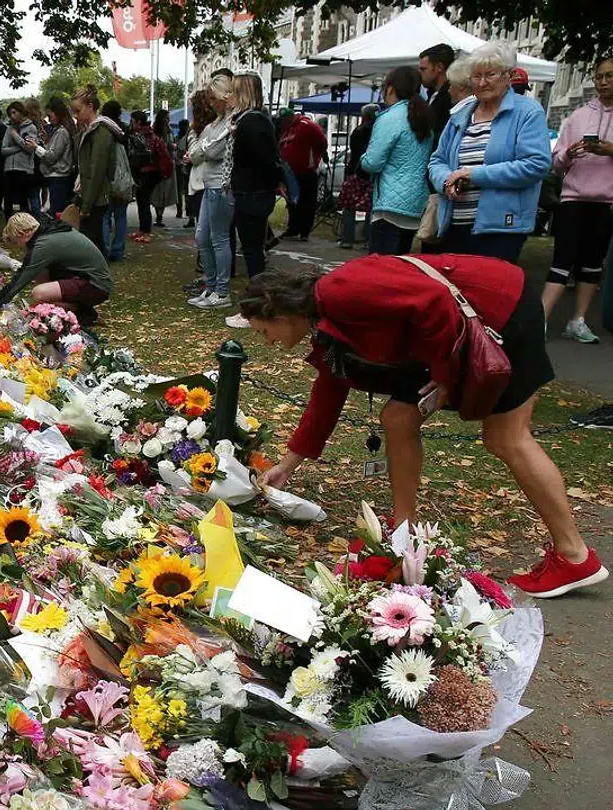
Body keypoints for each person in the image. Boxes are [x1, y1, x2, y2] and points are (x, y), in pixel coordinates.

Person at [242, 260, 606, 599]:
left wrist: (444, 376)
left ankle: (574, 556)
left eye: (263, 331)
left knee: (507, 438)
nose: (266, 341)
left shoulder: (339, 291)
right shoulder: (323, 321)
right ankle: (405, 529)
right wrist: (287, 466)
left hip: (499, 311)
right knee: (398, 418)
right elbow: (328, 392)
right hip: (449, 338)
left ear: (280, 315)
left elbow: (435, 301)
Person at [428, 41, 551, 263]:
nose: (482, 82)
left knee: (490, 283)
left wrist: (474, 175)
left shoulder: (527, 112)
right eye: (476, 76)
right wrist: (447, 180)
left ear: (508, 76)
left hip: (501, 228)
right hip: (455, 224)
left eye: (490, 75)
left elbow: (536, 165)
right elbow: (437, 161)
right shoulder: (461, 114)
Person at [543, 55, 613, 344]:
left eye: (609, 76)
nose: (603, 82)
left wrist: (609, 150)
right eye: (599, 76)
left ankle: (578, 320)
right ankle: (540, 320)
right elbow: (556, 161)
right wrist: (569, 153)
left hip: (606, 202)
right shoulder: (578, 115)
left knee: (593, 263)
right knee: (563, 259)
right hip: (573, 198)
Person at [224, 72, 282, 330]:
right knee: (252, 251)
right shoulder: (250, 121)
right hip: (251, 192)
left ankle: (256, 309)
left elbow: (265, 161)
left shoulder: (252, 122)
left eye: (234, 91)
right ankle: (257, 306)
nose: (229, 96)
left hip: (253, 193)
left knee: (253, 252)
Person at [362, 66, 436, 255]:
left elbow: (372, 162)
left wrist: (363, 158)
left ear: (391, 88)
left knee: (380, 266)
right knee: (400, 263)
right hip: (415, 202)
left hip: (389, 205)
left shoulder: (390, 118)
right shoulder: (423, 117)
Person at [0, 212, 113, 328]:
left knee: (38, 293)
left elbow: (20, 279)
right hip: (88, 278)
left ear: (22, 234)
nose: (20, 248)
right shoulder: (50, 231)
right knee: (41, 273)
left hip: (96, 285)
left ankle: (80, 311)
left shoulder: (44, 244)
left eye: (16, 243)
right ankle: (72, 309)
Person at [188, 77, 235, 309]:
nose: (211, 103)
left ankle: (222, 291)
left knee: (219, 238)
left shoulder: (230, 123)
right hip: (209, 186)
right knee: (202, 237)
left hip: (221, 186)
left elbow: (211, 151)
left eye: (214, 98)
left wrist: (203, 147)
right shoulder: (215, 125)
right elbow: (197, 152)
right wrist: (203, 147)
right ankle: (213, 286)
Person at [72, 85, 120, 256]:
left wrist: (86, 206)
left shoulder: (100, 132)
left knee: (93, 243)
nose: (75, 115)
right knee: (92, 241)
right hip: (91, 196)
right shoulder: (91, 130)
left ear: (90, 107)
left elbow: (96, 172)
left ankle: (96, 271)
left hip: (96, 198)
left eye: (77, 111)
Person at [278, 110, 328, 241]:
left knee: (307, 201)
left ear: (290, 118)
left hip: (306, 171)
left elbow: (322, 142)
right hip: (290, 172)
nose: (282, 123)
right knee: (293, 201)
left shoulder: (307, 125)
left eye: (284, 120)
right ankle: (293, 228)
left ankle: (305, 231)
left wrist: (315, 159)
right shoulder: (287, 130)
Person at [337, 105, 378, 249]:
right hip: (371, 172)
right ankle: (368, 240)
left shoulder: (358, 131)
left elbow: (354, 150)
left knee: (349, 205)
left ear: (364, 116)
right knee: (371, 207)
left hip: (356, 171)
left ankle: (347, 239)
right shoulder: (378, 131)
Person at [127, 109, 170, 244]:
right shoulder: (150, 134)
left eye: (132, 121)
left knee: (143, 201)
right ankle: (143, 230)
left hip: (148, 172)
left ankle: (146, 231)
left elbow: (141, 155)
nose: (131, 124)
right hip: (152, 172)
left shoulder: (142, 135)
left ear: (138, 122)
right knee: (142, 200)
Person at [36, 96, 78, 215]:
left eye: (50, 116)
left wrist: (36, 148)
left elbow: (51, 157)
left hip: (59, 177)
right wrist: (46, 142)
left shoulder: (62, 131)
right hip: (60, 177)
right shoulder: (61, 130)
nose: (49, 120)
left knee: (58, 213)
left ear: (58, 113)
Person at [103, 101, 132, 260]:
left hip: (108, 178)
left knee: (105, 216)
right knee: (121, 216)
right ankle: (118, 250)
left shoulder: (104, 130)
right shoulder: (125, 131)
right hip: (124, 179)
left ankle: (105, 249)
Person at [1, 101, 39, 217]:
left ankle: (24, 224)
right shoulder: (9, 129)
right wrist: (18, 148)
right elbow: (3, 150)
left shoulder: (31, 127)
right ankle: (8, 223)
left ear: (21, 112)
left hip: (24, 169)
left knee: (23, 201)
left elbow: (29, 148)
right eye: (10, 114)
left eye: (14, 112)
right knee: (8, 201)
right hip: (9, 169)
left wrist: (16, 136)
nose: (12, 116)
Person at [420, 43, 457, 147]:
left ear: (439, 67)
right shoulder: (431, 95)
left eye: (423, 69)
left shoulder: (451, 97)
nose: (420, 73)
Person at [151, 109, 181, 227]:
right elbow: (170, 145)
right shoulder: (168, 131)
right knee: (165, 190)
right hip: (167, 163)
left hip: (157, 164)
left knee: (158, 190)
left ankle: (158, 215)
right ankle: (160, 215)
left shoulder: (154, 130)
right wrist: (173, 146)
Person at [25, 99, 49, 214]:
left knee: (33, 192)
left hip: (31, 163)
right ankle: (41, 211)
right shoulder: (41, 124)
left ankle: (36, 215)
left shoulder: (26, 125)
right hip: (40, 161)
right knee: (40, 189)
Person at [175, 118, 195, 227]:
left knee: (186, 192)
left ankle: (189, 215)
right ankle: (192, 216)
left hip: (186, 168)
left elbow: (179, 153)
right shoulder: (189, 137)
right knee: (190, 193)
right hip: (191, 168)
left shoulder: (183, 138)